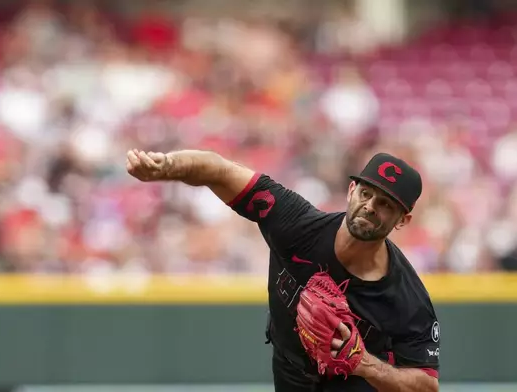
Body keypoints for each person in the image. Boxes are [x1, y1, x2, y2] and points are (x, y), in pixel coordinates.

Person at [126, 149, 440, 392]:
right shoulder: (296, 225)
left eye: (386, 204)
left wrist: (366, 365)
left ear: (403, 219)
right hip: (289, 373)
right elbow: (218, 169)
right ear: (351, 190)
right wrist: (165, 166)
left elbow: (427, 384)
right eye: (367, 193)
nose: (371, 206)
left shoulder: (406, 298)